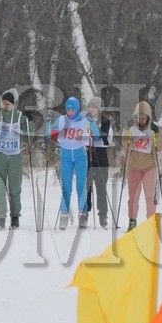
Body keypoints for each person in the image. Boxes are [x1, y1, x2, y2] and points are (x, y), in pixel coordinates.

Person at [123, 99, 162, 230]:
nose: (141, 119)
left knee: (150, 196)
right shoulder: (131, 128)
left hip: (149, 167)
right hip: (133, 166)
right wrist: (126, 129)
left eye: (144, 116)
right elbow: (125, 143)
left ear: (148, 117)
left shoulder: (153, 129)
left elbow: (161, 146)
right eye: (139, 116)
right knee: (133, 196)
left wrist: (157, 134)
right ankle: (132, 220)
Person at [51, 96, 94, 229]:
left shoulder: (84, 121)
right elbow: (53, 136)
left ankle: (83, 215)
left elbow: (90, 139)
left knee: (81, 186)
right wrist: (57, 135)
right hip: (66, 156)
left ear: (77, 109)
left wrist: (84, 137)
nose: (70, 112)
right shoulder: (61, 120)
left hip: (80, 155)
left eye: (72, 110)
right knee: (66, 186)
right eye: (68, 110)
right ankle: (64, 214)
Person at [0, 90, 28, 229]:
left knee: (15, 188)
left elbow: (30, 132)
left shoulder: (20, 117)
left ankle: (15, 216)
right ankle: (1, 218)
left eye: (8, 104)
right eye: (3, 103)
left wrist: (28, 124)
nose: (5, 106)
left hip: (15, 157)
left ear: (13, 104)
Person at [86, 97, 112, 228]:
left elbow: (105, 137)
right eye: (90, 107)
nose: (91, 109)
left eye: (94, 107)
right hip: (88, 153)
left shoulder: (105, 121)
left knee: (101, 188)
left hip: (101, 155)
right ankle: (84, 213)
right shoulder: (84, 120)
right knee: (86, 187)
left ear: (99, 109)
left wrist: (95, 130)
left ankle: (103, 215)